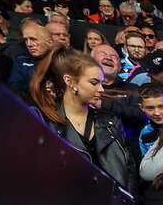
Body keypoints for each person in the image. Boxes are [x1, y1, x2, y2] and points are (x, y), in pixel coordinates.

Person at [29, 47, 136, 194]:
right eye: (94, 82)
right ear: (70, 81)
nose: (101, 89)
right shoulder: (43, 119)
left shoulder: (109, 121)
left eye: (101, 83)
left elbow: (129, 170)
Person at [137, 83, 163, 158]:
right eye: (150, 108)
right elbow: (146, 164)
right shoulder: (144, 134)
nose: (157, 113)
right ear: (142, 107)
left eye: (161, 107)